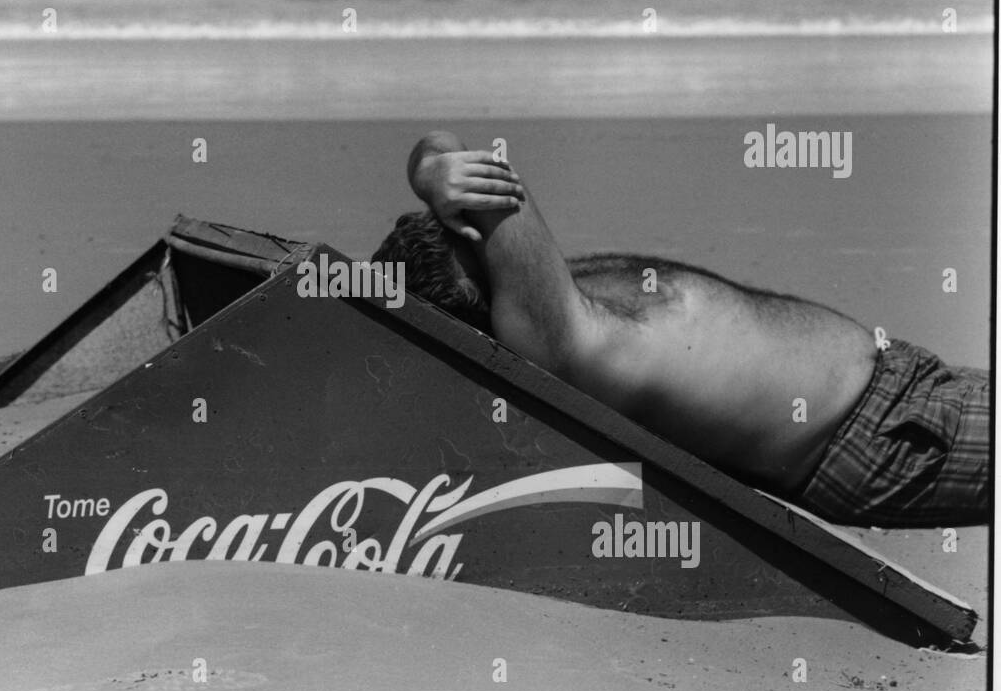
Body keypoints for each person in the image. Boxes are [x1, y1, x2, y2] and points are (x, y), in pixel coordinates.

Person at [372, 130, 989, 527]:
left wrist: (433, 161)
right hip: (885, 433)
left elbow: (444, 143)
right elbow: (498, 186)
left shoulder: (550, 306)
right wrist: (435, 174)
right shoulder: (549, 346)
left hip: (906, 388)